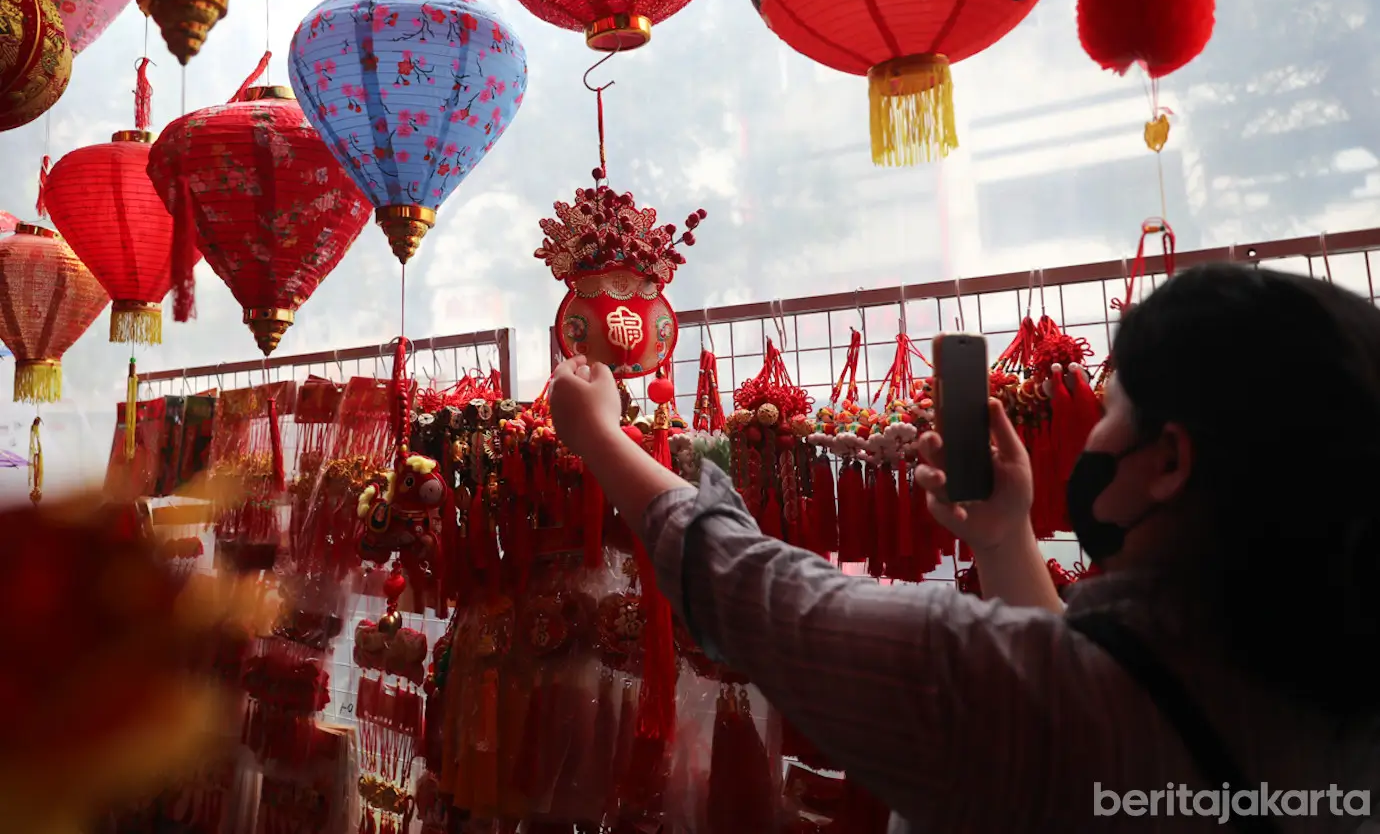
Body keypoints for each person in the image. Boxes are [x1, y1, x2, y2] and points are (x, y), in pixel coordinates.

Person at [548, 263, 1380, 833]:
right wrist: (1005, 535)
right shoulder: (1322, 696)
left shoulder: (1027, 699)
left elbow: (761, 596)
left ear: (1169, 462)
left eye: (1113, 404)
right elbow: (1088, 661)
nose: (1095, 428)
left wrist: (602, 439)